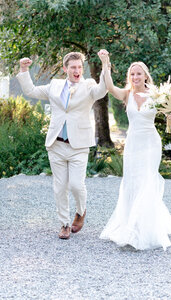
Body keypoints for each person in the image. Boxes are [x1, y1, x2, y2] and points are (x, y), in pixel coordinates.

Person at [17, 51, 107, 239]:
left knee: (76, 185)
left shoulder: (89, 85)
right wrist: (24, 70)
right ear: (65, 69)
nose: (77, 71)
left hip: (78, 146)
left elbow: (102, 90)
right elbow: (31, 91)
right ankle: (64, 224)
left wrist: (105, 63)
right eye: (73, 67)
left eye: (80, 67)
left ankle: (81, 211)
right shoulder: (55, 85)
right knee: (60, 187)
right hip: (56, 145)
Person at [98, 50, 171, 251]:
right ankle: (131, 223)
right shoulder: (127, 94)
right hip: (133, 143)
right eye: (132, 74)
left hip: (151, 143)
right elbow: (108, 86)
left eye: (139, 73)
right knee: (133, 181)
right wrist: (106, 63)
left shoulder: (156, 94)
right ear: (129, 77)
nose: (135, 77)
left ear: (145, 76)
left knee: (148, 179)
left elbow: (170, 117)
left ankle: (143, 227)